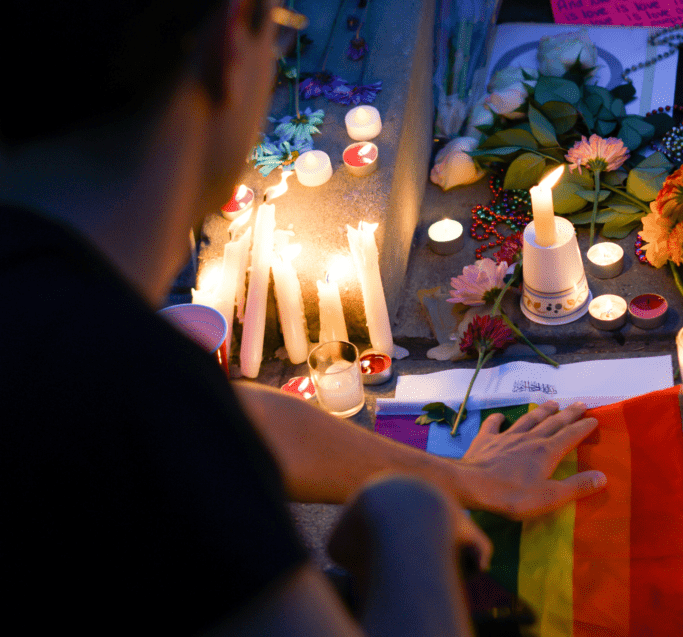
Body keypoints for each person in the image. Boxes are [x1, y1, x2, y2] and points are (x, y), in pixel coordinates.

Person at [0, 1, 604, 635]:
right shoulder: (108, 385)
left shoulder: (61, 315)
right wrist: (410, 523)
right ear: (230, 45)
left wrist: (460, 477)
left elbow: (243, 419)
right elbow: (174, 428)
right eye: (282, 35)